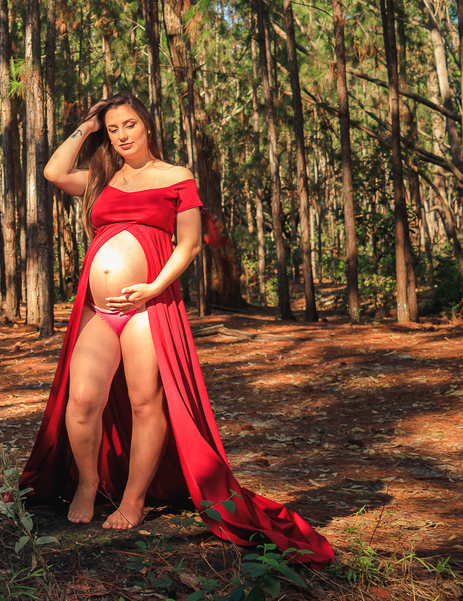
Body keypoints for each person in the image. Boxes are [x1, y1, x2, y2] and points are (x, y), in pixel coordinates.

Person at [19, 92, 333, 567]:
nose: (122, 135)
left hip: (149, 304)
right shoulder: (101, 179)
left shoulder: (176, 177)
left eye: (129, 125)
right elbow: (54, 172)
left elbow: (187, 245)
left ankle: (133, 499)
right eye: (113, 129)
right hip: (99, 310)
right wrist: (86, 126)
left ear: (147, 125)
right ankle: (87, 483)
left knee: (148, 403)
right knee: (82, 401)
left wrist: (152, 287)